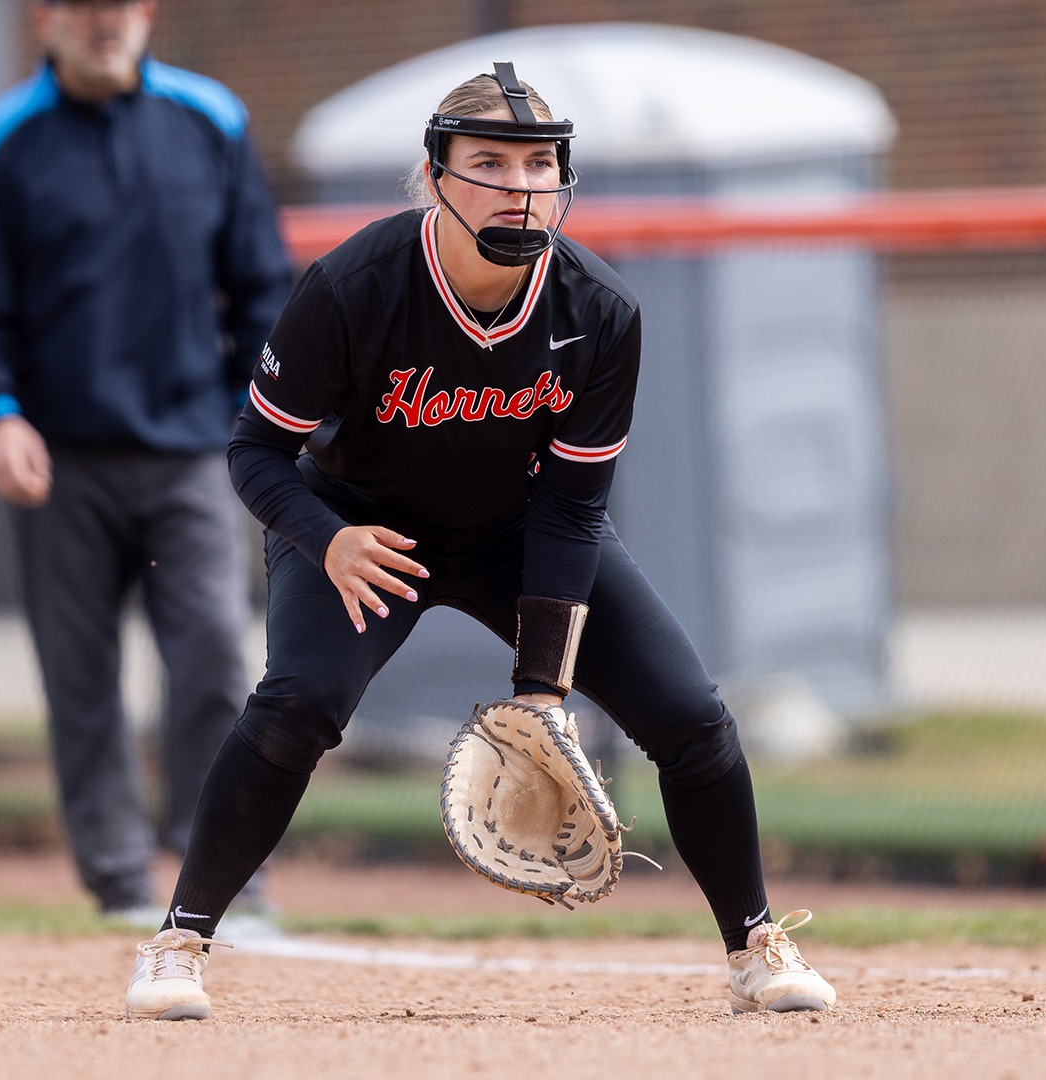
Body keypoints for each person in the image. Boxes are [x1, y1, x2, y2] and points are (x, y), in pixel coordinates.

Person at [120, 63, 839, 1020]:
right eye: (488, 161)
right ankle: (179, 941)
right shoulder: (354, 285)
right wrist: (324, 539)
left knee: (693, 719)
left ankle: (756, 943)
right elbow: (256, 451)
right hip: (364, 531)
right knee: (298, 705)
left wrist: (541, 691)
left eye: (540, 164)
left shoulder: (599, 311)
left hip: (518, 529)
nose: (519, 185)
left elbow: (574, 509)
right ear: (435, 175)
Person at [0, 0, 292, 922]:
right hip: (58, 459)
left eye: (123, 5)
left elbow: (261, 288)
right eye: (86, 6)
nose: (108, 22)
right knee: (80, 676)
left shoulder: (211, 120)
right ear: (44, 19)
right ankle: (121, 883)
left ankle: (226, 875)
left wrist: (265, 413)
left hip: (192, 452)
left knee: (213, 653)